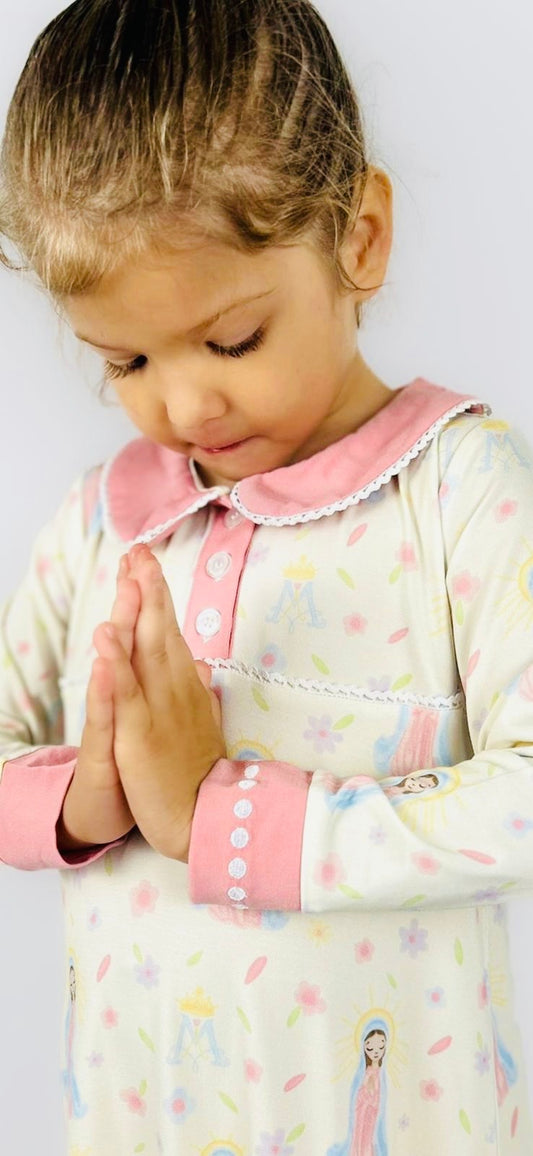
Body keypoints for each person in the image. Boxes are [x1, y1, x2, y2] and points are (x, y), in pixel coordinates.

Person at [0, 2, 531, 1152]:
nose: (183, 406)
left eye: (230, 339)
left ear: (360, 237)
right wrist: (85, 800)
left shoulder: (456, 494)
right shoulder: (102, 526)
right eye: (126, 361)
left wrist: (221, 813)